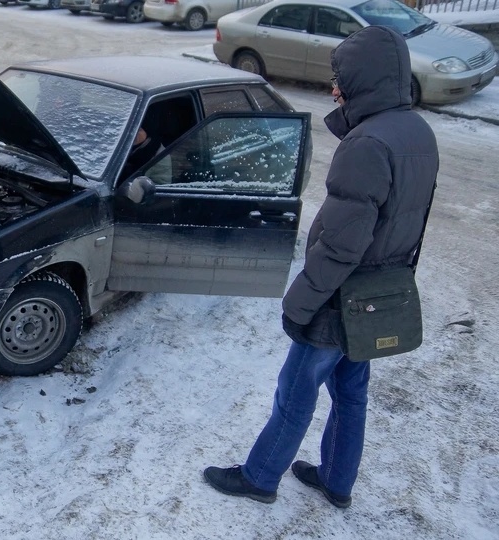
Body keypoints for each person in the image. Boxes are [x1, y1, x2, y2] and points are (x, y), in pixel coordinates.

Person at [203, 25, 439, 508]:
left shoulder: (367, 144)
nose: (334, 87)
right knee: (352, 391)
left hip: (340, 296)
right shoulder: (416, 131)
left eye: (341, 77)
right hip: (379, 293)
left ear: (365, 78)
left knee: (296, 388)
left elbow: (340, 245)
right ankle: (336, 480)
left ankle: (260, 476)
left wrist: (301, 303)